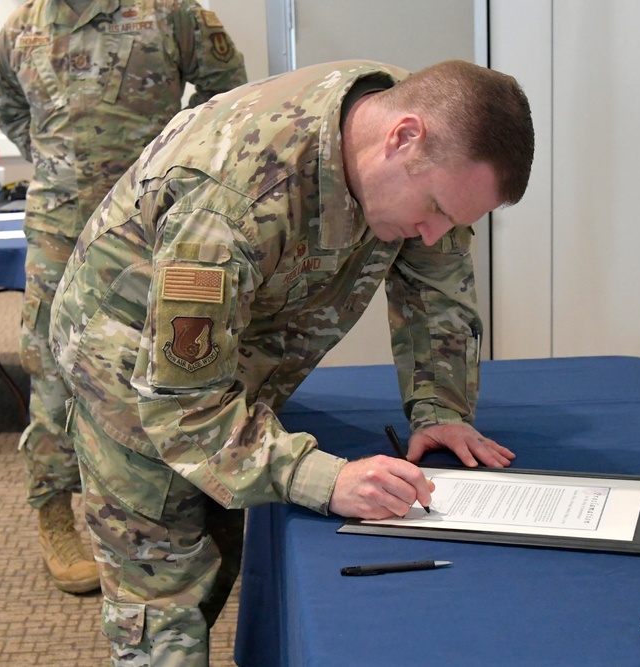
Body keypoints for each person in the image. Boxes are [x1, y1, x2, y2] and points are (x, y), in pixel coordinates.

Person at [49, 59, 534, 664]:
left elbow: (437, 284)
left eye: (455, 221)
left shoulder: (427, 135)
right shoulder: (231, 202)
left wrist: (440, 406)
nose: (434, 234)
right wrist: (326, 480)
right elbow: (183, 407)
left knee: (222, 546)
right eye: (434, 209)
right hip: (125, 361)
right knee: (166, 598)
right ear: (402, 137)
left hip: (241, 343)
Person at [0, 0, 247, 595]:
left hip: (151, 220)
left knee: (166, 357)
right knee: (51, 368)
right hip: (60, 226)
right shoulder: (20, 28)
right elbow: (8, 107)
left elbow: (225, 93)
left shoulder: (172, 13)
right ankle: (55, 513)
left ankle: (186, 510)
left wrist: (175, 157)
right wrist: (63, 164)